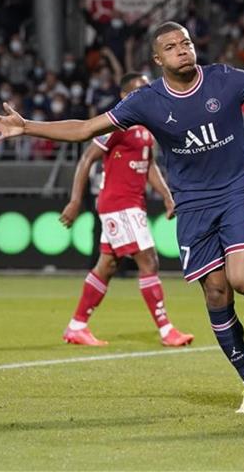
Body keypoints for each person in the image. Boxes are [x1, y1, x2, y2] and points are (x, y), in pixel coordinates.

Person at [0, 21, 244, 413]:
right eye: (172, 46)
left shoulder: (225, 80)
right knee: (216, 293)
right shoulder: (146, 101)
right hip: (193, 206)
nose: (183, 50)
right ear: (158, 59)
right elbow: (87, 128)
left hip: (236, 192)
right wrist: (28, 127)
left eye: (187, 43)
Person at [59, 71, 194, 348]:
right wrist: (75, 200)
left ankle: (77, 326)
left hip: (131, 204)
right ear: (123, 96)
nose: (144, 95)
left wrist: (167, 196)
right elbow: (87, 158)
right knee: (149, 261)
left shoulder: (146, 126)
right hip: (120, 204)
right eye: (137, 91)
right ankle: (166, 330)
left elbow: (150, 164)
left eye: (147, 90)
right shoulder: (116, 124)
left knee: (107, 265)